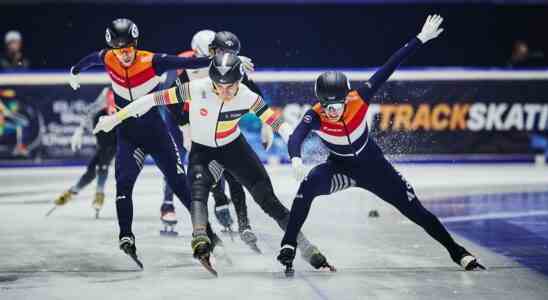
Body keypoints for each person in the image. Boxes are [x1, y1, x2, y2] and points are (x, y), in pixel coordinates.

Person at [276, 15, 485, 274]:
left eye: (336, 105)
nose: (331, 111)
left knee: (416, 211)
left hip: (375, 169)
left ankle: (458, 252)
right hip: (340, 169)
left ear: (346, 97)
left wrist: (419, 39)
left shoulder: (360, 97)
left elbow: (389, 66)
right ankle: (288, 245)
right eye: (326, 105)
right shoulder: (315, 115)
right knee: (306, 186)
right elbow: (296, 136)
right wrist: (295, 157)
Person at [94, 52, 332, 273]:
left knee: (268, 201)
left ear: (241, 81)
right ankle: (200, 238)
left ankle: (307, 248)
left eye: (232, 87)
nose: (226, 92)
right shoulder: (196, 89)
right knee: (197, 192)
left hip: (235, 149)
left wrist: (294, 147)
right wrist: (115, 118)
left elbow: (279, 124)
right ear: (211, 81)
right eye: (220, 86)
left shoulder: (248, 96)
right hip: (202, 151)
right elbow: (150, 100)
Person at [68, 18, 223, 268]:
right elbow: (90, 59)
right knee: (123, 185)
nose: (125, 55)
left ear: (136, 44)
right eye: (120, 50)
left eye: (129, 48)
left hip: (156, 134)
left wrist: (225, 61)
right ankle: (126, 235)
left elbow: (188, 62)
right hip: (128, 136)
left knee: (182, 187)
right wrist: (75, 70)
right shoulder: (108, 58)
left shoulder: (152, 60)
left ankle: (209, 234)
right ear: (113, 50)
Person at [159, 31, 269, 253]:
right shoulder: (186, 63)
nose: (220, 58)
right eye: (217, 53)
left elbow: (255, 94)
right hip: (184, 114)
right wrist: (184, 127)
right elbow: (170, 98)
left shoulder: (227, 64)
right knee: (180, 160)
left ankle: (227, 207)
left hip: (212, 117)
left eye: (227, 54)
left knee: (228, 167)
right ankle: (168, 203)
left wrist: (267, 123)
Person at [48, 88, 116, 218]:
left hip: (116, 140)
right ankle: (75, 191)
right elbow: (90, 110)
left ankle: (97, 193)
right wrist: (80, 130)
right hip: (104, 140)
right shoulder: (100, 111)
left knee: (102, 164)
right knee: (91, 170)